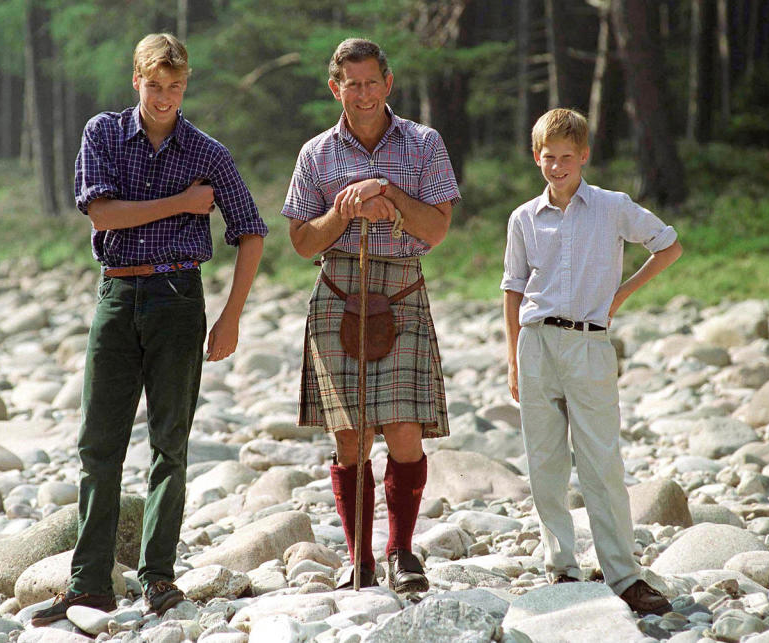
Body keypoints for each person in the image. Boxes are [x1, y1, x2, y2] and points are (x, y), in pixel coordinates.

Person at [32, 33, 267, 625]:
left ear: (186, 85)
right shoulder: (103, 134)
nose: (165, 97)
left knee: (170, 445)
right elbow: (102, 212)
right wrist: (184, 203)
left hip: (179, 297)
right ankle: (89, 585)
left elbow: (252, 230)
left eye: (176, 86)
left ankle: (158, 579)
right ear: (136, 79)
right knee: (99, 446)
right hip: (117, 293)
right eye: (154, 85)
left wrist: (231, 316)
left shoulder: (207, 151)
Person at [281, 38, 460, 592]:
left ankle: (401, 553)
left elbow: (435, 229)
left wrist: (387, 192)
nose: (361, 93)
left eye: (370, 82)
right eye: (350, 84)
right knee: (350, 437)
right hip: (338, 290)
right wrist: (346, 208)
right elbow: (302, 242)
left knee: (405, 431)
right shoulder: (316, 154)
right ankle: (358, 558)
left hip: (402, 289)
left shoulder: (425, 144)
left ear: (389, 83)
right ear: (335, 88)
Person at [502, 108, 682, 615]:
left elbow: (668, 246)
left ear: (584, 156)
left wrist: (619, 297)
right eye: (547, 157)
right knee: (545, 463)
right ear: (536, 158)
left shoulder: (611, 207)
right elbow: (513, 289)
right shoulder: (523, 218)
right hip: (536, 344)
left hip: (589, 344)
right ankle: (560, 569)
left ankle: (625, 576)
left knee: (601, 461)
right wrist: (513, 359)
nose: (557, 167)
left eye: (566, 157)